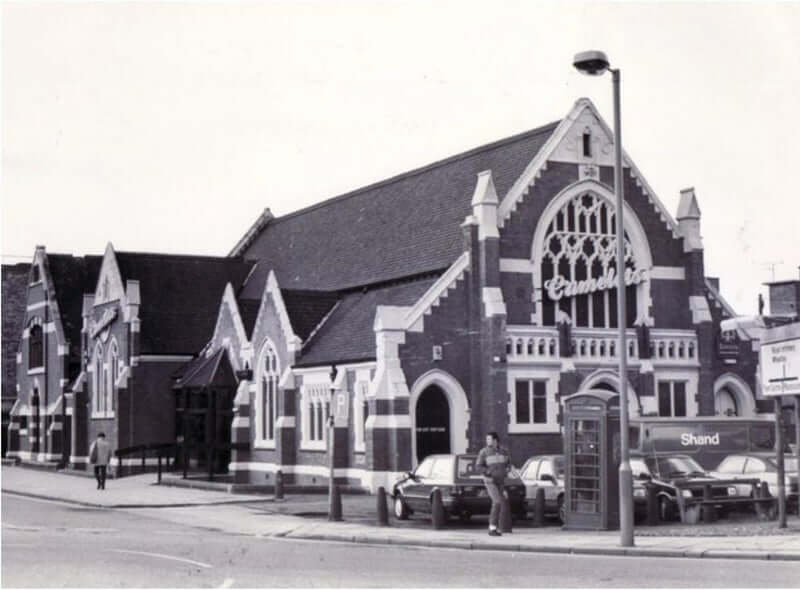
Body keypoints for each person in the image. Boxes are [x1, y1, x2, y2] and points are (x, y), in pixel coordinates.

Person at [475, 431, 511, 536]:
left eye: (489, 439)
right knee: (497, 502)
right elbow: (478, 466)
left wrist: (507, 470)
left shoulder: (504, 451)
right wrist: (488, 472)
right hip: (490, 481)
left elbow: (508, 464)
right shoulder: (484, 452)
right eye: (487, 439)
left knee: (499, 503)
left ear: (495, 440)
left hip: (500, 481)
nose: (487, 441)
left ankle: (494, 527)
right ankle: (492, 528)